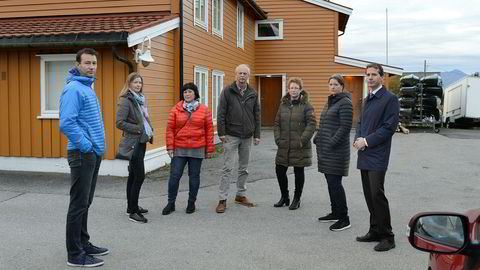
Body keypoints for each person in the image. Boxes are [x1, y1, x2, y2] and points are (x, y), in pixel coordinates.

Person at [59, 48, 108, 268]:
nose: (91, 67)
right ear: (77, 64)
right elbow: (66, 123)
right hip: (82, 153)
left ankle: (83, 243)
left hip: (92, 153)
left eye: (94, 63)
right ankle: (75, 254)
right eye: (87, 63)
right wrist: (87, 146)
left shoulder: (87, 88)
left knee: (85, 202)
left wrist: (95, 149)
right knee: (78, 203)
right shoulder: (74, 89)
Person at [353, 63, 399, 252]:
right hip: (364, 153)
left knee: (377, 195)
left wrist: (367, 141)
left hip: (377, 155)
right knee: (368, 195)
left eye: (374, 74)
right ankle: (374, 230)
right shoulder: (366, 99)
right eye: (367, 75)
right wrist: (357, 139)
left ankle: (388, 237)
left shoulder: (389, 99)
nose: (370, 78)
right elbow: (360, 122)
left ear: (382, 77)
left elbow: (389, 128)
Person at [163, 82, 214, 215]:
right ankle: (171, 203)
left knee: (194, 177)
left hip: (197, 148)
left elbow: (209, 130)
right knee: (174, 176)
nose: (187, 94)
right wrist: (170, 147)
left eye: (190, 91)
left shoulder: (204, 109)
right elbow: (170, 129)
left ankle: (191, 203)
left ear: (195, 94)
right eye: (185, 92)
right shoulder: (175, 109)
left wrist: (209, 149)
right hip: (179, 148)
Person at [215, 64, 261, 213]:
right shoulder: (227, 91)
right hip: (231, 135)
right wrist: (221, 133)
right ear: (235, 75)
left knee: (244, 168)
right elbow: (221, 112)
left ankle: (240, 195)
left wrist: (257, 134)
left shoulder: (253, 93)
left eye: (245, 74)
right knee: (227, 168)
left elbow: (257, 115)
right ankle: (222, 199)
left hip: (247, 136)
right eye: (240, 73)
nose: (242, 76)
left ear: (248, 76)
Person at [314, 74, 353, 231]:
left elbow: (345, 127)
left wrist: (330, 143)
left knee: (335, 184)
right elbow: (324, 122)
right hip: (326, 150)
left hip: (336, 151)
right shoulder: (330, 101)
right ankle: (335, 212)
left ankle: (344, 218)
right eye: (330, 84)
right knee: (331, 183)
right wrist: (318, 137)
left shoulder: (345, 103)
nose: (333, 87)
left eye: (336, 84)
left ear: (342, 86)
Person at [116, 72, 154, 224]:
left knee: (133, 175)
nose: (138, 85)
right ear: (129, 84)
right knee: (138, 176)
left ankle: (131, 206)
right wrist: (139, 129)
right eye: (135, 82)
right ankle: (133, 212)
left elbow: (144, 119)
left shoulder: (140, 100)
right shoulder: (126, 100)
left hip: (142, 141)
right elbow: (119, 122)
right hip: (134, 142)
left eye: (140, 82)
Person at [273, 77, 316, 210]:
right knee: (280, 170)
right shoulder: (283, 104)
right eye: (291, 88)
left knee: (298, 171)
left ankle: (297, 199)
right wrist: (278, 139)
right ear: (288, 89)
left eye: (296, 88)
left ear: (300, 89)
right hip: (284, 144)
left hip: (299, 145)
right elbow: (276, 123)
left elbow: (312, 124)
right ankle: (285, 196)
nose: (293, 90)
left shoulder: (307, 106)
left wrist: (302, 140)